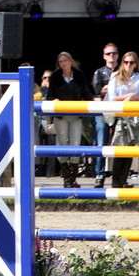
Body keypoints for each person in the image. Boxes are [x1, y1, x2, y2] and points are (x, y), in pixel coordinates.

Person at [45, 52, 94, 188]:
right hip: (61, 116)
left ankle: (73, 178)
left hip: (76, 115)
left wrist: (94, 101)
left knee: (75, 144)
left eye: (65, 60)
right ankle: (66, 178)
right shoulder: (55, 76)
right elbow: (50, 95)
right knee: (62, 144)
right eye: (60, 61)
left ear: (70, 61)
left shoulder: (79, 75)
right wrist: (54, 100)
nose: (63, 64)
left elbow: (86, 92)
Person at [106, 51, 139, 188]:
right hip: (119, 116)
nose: (128, 65)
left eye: (131, 62)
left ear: (136, 64)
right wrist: (129, 96)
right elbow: (112, 97)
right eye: (126, 62)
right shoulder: (115, 76)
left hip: (134, 115)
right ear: (122, 63)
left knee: (130, 148)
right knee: (120, 148)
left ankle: (123, 180)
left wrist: (134, 98)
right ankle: (115, 180)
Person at [91, 43, 119, 188]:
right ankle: (99, 174)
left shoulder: (123, 72)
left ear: (118, 55)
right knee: (101, 142)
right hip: (103, 110)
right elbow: (97, 91)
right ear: (104, 56)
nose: (111, 56)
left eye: (114, 53)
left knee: (120, 144)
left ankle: (119, 176)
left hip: (119, 111)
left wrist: (109, 89)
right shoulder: (99, 72)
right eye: (108, 54)